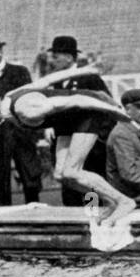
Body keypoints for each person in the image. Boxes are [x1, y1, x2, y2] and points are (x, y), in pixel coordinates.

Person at [2, 64, 134, 224]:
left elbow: (77, 100)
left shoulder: (28, 109)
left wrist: (113, 110)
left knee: (72, 171)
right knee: (60, 175)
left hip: (87, 113)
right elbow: (49, 79)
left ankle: (124, 201)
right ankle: (110, 201)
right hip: (67, 120)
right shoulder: (9, 97)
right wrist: (85, 70)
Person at [43, 35, 112, 206]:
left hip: (86, 141)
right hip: (65, 137)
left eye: (56, 56)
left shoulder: (87, 77)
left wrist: (99, 133)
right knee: (66, 179)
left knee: (86, 176)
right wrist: (49, 126)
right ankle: (73, 219)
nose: (53, 61)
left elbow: (106, 103)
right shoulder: (56, 80)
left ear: (68, 57)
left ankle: (94, 218)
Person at [0, 33, 43, 205]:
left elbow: (29, 98)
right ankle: (4, 218)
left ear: (0, 52)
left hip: (21, 132)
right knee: (2, 180)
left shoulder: (19, 72)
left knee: (29, 177)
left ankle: (35, 214)